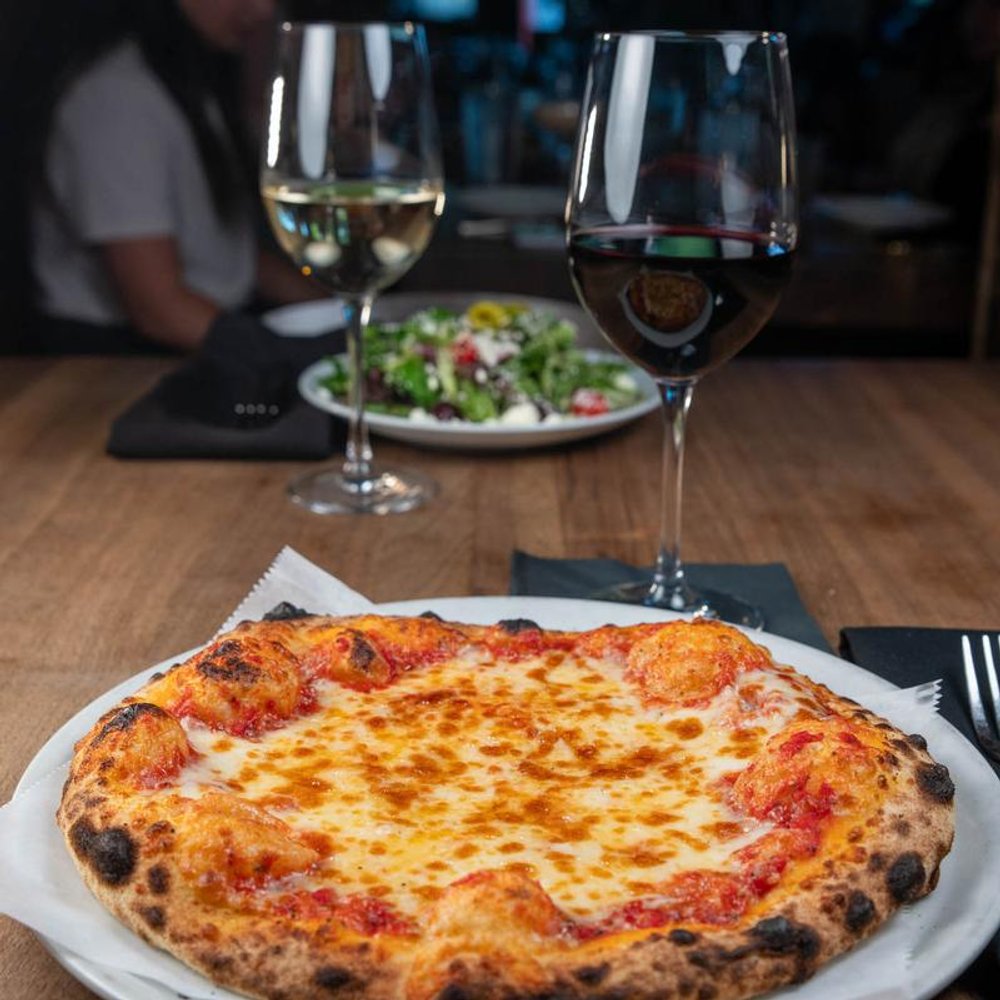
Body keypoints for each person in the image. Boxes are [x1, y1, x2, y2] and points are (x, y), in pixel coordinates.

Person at [15, 0, 321, 354]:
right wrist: (295, 358)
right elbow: (158, 308)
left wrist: (349, 314)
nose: (264, 9)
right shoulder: (117, 97)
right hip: (117, 364)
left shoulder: (183, 82)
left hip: (210, 332)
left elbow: (228, 258)